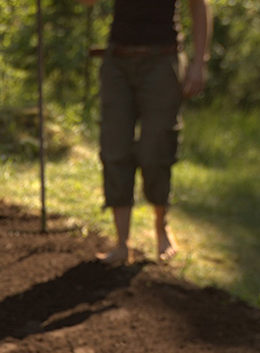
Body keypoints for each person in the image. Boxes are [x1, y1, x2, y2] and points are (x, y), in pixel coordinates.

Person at [77, 0, 212, 263]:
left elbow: (199, 5)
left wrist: (199, 63)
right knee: (115, 149)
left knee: (156, 149)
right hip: (118, 61)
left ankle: (161, 226)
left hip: (163, 61)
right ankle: (121, 244)